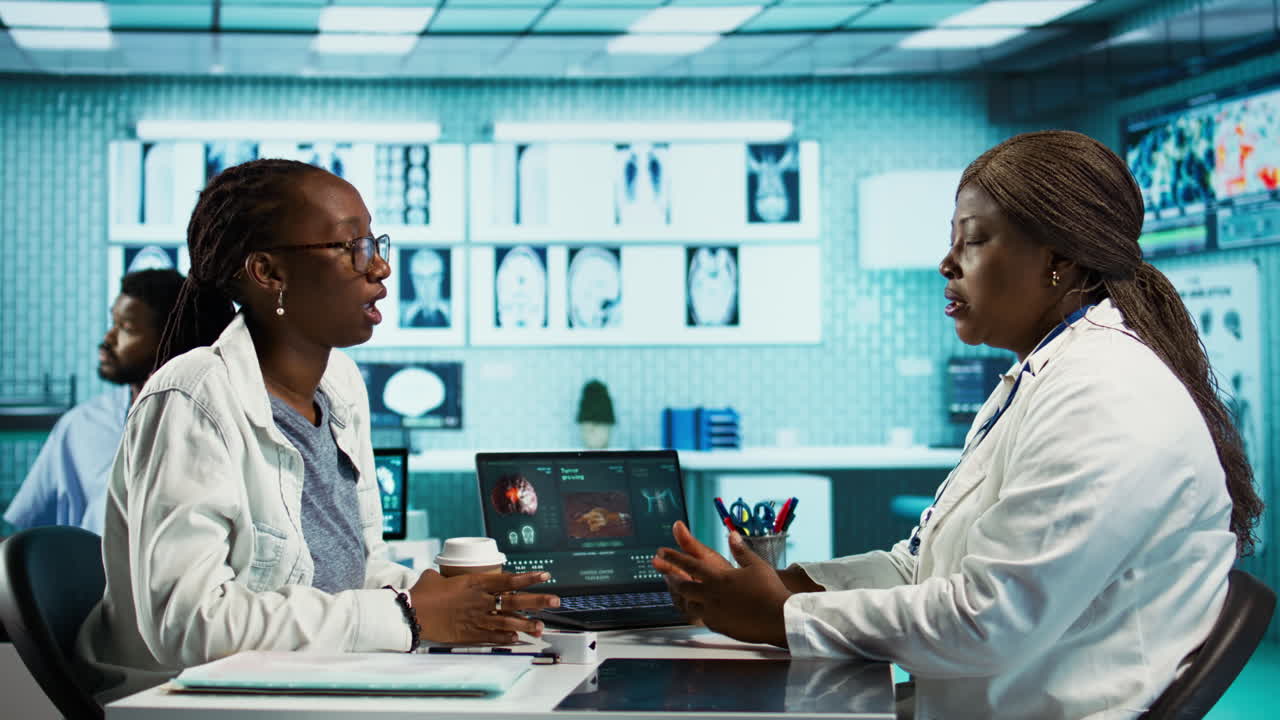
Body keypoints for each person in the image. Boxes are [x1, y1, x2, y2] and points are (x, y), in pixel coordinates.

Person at [653, 130, 1263, 720]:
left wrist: (780, 617)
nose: (947, 263)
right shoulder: (1043, 377)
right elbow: (922, 568)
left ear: (1057, 259)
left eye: (972, 240)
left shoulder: (1104, 395)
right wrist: (789, 586)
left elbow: (987, 619)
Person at [76, 159, 560, 703]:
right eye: (352, 247)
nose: (380, 268)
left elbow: (355, 575)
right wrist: (406, 615)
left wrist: (460, 601)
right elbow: (190, 624)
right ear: (269, 272)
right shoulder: (192, 397)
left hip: (311, 685)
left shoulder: (340, 386)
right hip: (198, 704)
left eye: (375, 244)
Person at [3, 269, 184, 535]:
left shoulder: (201, 424)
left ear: (169, 338)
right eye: (113, 323)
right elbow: (29, 532)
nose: (108, 339)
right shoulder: (81, 425)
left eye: (126, 328)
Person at [399, 247, 450, 328]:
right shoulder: (399, 313)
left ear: (442, 277)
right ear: (412, 278)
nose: (426, 285)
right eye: (420, 278)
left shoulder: (456, 310)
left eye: (433, 277)